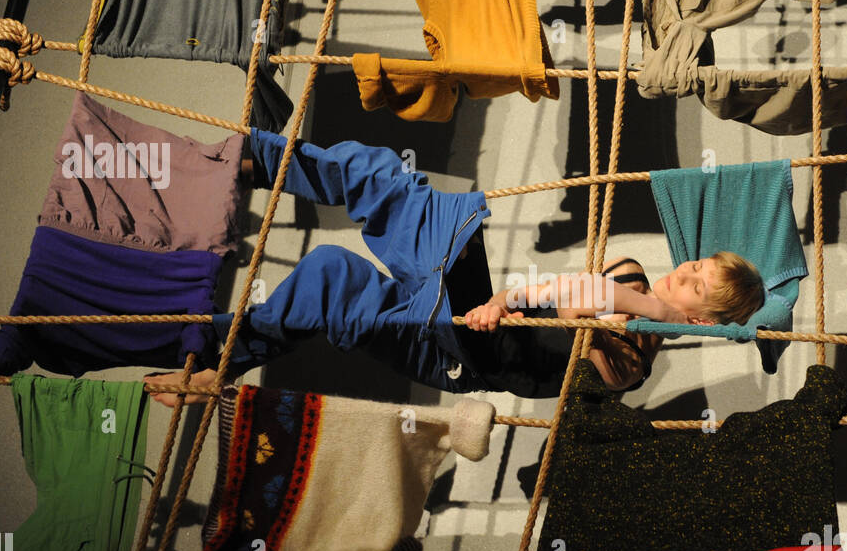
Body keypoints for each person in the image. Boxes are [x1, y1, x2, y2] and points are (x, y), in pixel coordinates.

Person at [147, 130, 766, 406]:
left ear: (695, 319)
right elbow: (573, 291)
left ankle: (216, 364)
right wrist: (512, 300)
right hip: (475, 311)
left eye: (694, 283)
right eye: (695, 263)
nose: (681, 267)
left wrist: (657, 311)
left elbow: (579, 315)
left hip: (463, 354)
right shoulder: (629, 273)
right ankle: (256, 162)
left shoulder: (629, 369)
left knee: (329, 277)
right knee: (396, 186)